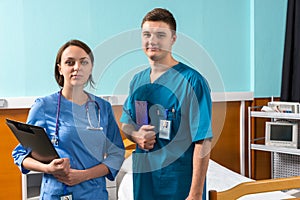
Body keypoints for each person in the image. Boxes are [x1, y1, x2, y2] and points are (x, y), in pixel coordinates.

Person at [12, 39, 125, 199]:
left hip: (94, 194)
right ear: (60, 68)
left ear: (91, 68)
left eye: (84, 62)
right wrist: (48, 168)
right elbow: (21, 154)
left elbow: (116, 154)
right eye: (70, 62)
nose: (77, 67)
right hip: (58, 193)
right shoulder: (44, 106)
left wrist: (84, 175)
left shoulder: (103, 108)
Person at [120, 8, 212, 200]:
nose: (152, 41)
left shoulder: (192, 82)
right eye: (147, 35)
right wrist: (136, 135)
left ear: (173, 39)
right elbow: (126, 124)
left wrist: (195, 194)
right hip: (144, 180)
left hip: (178, 184)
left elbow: (203, 140)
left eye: (160, 35)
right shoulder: (137, 81)